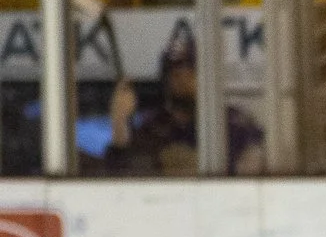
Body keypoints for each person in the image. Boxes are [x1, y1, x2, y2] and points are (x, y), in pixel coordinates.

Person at [95, 30, 266, 177]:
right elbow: (120, 182)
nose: (182, 81)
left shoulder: (236, 126)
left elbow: (254, 174)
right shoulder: (154, 128)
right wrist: (119, 124)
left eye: (190, 73)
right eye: (175, 74)